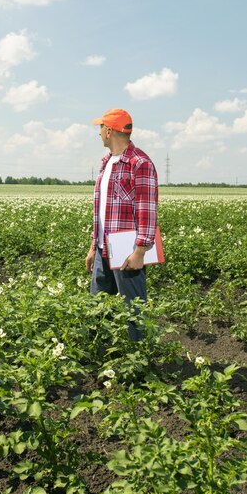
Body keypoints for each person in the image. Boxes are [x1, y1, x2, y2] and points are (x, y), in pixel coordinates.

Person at [85, 108, 158, 341]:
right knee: (98, 306)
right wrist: (92, 246)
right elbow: (101, 210)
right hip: (102, 248)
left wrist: (140, 251)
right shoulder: (106, 163)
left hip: (127, 249)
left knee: (134, 308)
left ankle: (140, 359)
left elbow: (147, 210)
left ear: (109, 130)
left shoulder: (140, 163)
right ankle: (100, 354)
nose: (99, 135)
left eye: (100, 129)